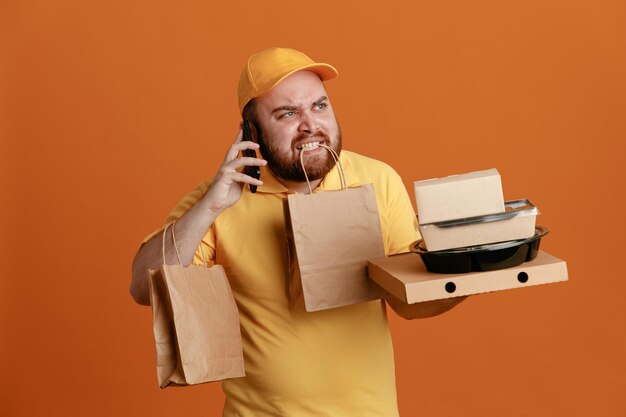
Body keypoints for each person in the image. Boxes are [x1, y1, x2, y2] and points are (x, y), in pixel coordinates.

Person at [130, 47, 464, 416]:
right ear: (250, 130)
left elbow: (409, 302)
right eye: (287, 113)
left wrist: (472, 267)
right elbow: (144, 287)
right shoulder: (221, 199)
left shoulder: (375, 179)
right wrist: (211, 206)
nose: (311, 125)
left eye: (319, 106)